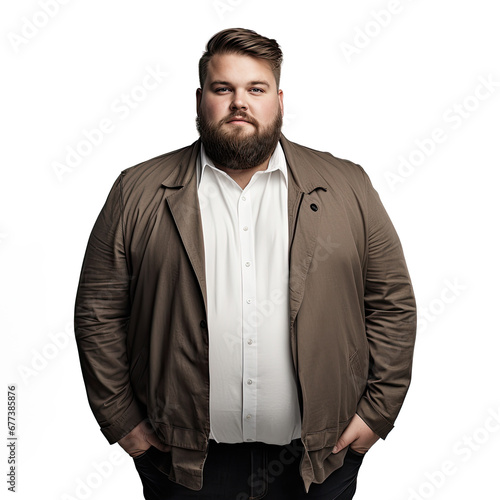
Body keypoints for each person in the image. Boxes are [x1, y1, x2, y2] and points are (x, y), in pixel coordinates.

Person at [74, 28, 417, 500]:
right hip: (181, 462)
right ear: (200, 100)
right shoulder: (137, 190)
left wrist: (378, 411)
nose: (240, 103)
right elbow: (99, 312)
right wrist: (122, 421)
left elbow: (391, 302)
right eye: (223, 89)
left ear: (278, 99)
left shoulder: (348, 186)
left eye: (255, 89)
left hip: (319, 460)